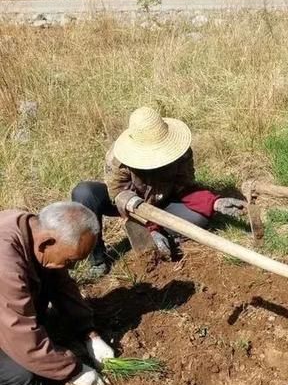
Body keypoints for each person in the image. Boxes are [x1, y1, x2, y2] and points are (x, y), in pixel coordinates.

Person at [72, 107, 246, 276]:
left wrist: (214, 202)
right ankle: (98, 259)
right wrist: (150, 227)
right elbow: (120, 196)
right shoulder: (118, 160)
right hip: (129, 203)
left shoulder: (181, 153)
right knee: (84, 194)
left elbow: (185, 188)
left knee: (198, 218)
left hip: (164, 200)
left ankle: (162, 231)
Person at [0, 202, 113, 385]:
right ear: (46, 243)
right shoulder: (5, 260)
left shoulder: (36, 230)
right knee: (19, 375)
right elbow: (18, 329)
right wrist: (73, 370)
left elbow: (62, 286)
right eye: (70, 261)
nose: (72, 269)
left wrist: (89, 333)